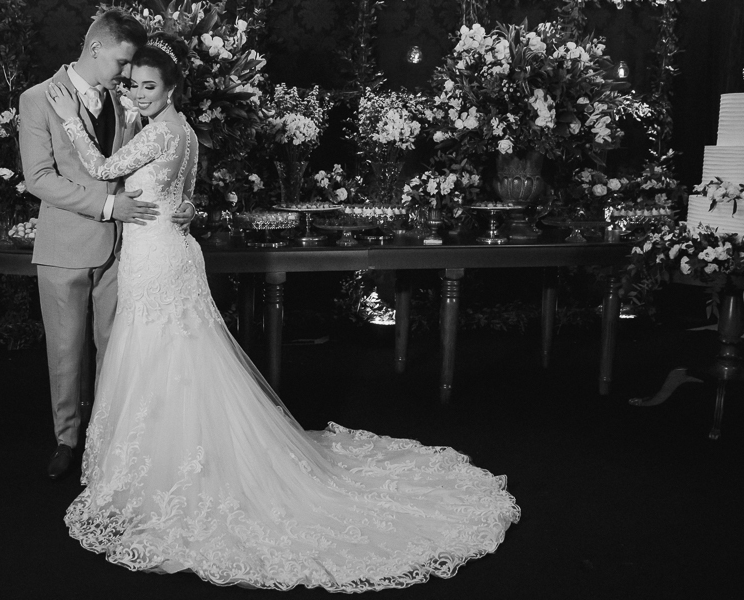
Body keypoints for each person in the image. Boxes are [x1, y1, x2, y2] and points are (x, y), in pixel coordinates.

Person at [45, 32, 520, 592]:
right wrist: (184, 204)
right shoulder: (184, 131)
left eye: (149, 87)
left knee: (161, 353)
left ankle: (169, 469)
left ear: (171, 88)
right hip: (170, 249)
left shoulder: (159, 132)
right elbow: (187, 194)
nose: (138, 94)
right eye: (134, 85)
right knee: (179, 354)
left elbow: (102, 169)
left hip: (155, 258)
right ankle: (176, 455)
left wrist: (69, 121)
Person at [19, 9, 196, 480]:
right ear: (96, 48)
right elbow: (39, 178)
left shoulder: (129, 100)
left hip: (126, 249)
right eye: (121, 63)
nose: (127, 75)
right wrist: (107, 206)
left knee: (117, 352)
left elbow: (159, 164)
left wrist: (185, 202)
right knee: (65, 353)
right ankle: (66, 440)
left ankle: (109, 441)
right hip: (65, 245)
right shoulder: (38, 99)